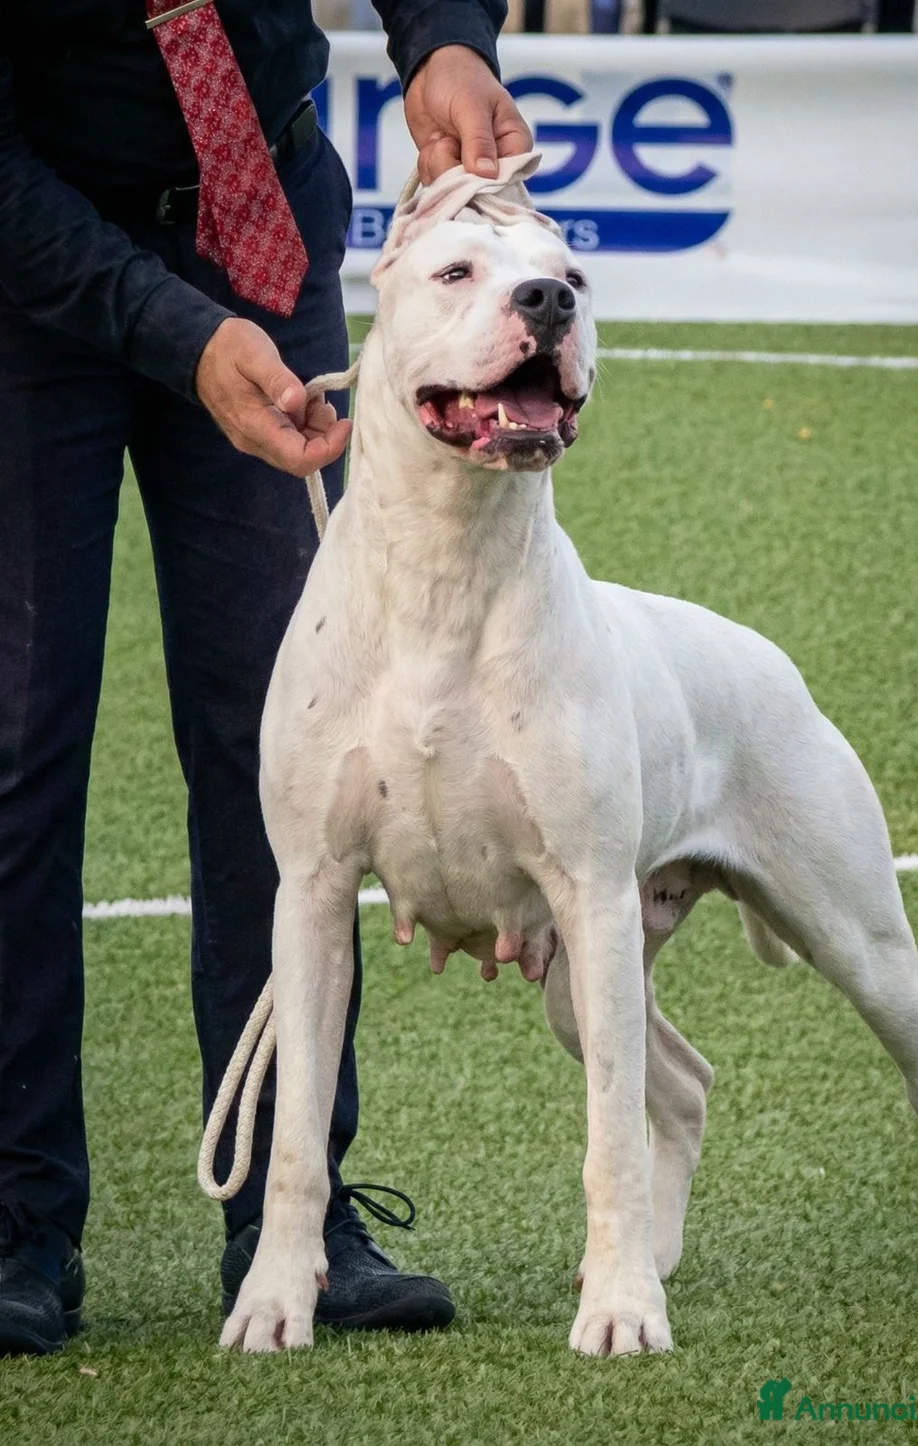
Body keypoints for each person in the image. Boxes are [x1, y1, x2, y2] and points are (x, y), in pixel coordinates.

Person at [0, 1, 531, 1357]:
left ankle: (295, 1218)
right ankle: (15, 1220)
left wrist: (445, 40)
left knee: (286, 738)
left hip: (253, 212)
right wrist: (178, 332)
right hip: (25, 246)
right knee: (15, 743)